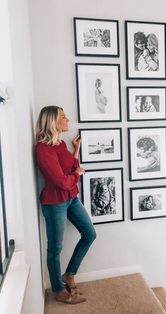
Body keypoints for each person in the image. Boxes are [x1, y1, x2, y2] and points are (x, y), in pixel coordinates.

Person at [35, 106, 96, 304]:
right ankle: (58, 290)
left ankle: (69, 274)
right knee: (55, 249)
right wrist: (77, 174)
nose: (67, 119)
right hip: (55, 202)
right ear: (53, 121)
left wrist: (75, 151)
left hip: (70, 198)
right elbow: (62, 181)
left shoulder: (60, 143)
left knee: (89, 234)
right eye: (63, 117)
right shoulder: (43, 149)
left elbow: (70, 168)